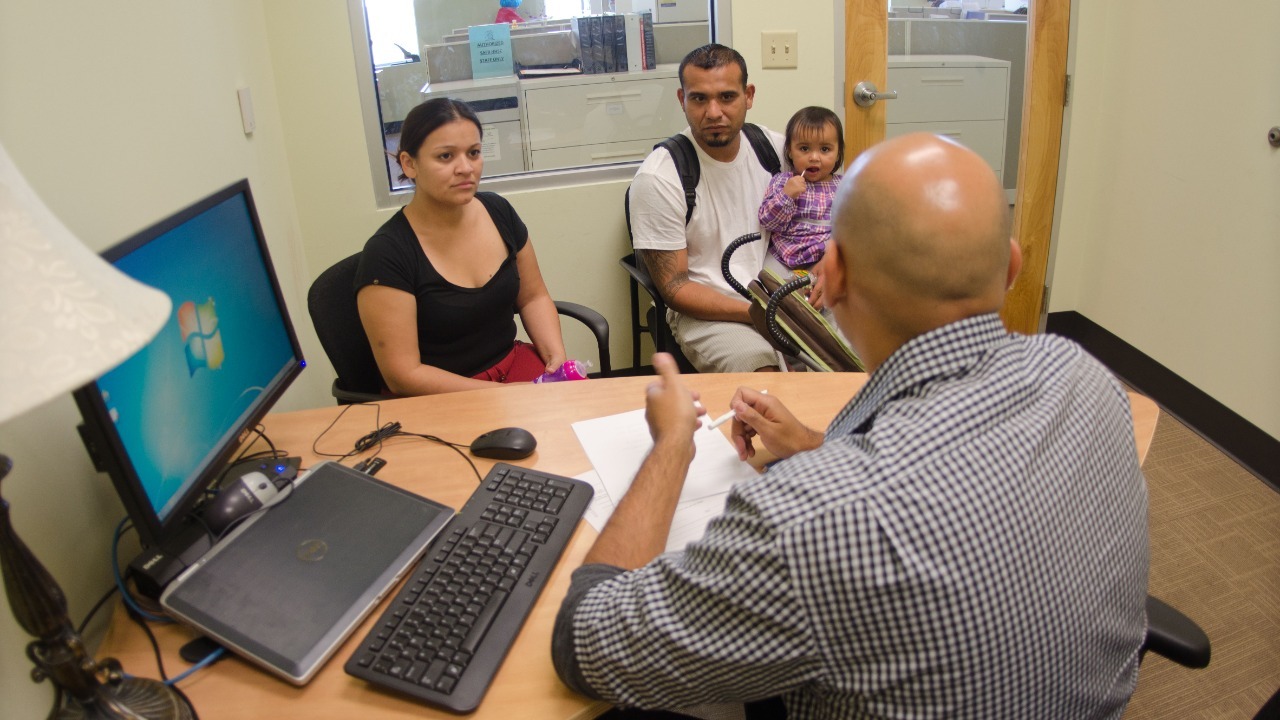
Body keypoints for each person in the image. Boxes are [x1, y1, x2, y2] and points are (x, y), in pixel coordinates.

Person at [553, 133, 1150, 718]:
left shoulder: (812, 520)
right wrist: (817, 445)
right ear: (1012, 267)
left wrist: (672, 447)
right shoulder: (1087, 378)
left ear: (828, 275)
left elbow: (589, 643)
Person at [355, 98, 567, 395]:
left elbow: (532, 297)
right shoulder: (387, 254)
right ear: (409, 163)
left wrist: (554, 355)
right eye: (445, 156)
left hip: (513, 370)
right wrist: (500, 397)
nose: (466, 168)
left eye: (474, 153)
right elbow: (404, 375)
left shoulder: (499, 211)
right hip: (445, 395)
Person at [629, 44, 785, 373]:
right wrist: (753, 313)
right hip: (709, 313)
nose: (713, 112)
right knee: (762, 375)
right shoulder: (660, 177)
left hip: (780, 298)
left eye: (727, 97)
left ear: (749, 95)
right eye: (699, 98)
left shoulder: (776, 150)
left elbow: (828, 217)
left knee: (857, 349)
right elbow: (674, 287)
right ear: (681, 100)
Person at [757, 105, 843, 282]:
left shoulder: (844, 187)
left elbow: (852, 228)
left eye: (825, 149)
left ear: (838, 151)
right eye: (804, 149)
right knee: (765, 281)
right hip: (782, 256)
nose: (814, 157)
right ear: (789, 150)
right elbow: (768, 222)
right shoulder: (782, 181)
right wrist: (786, 195)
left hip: (820, 258)